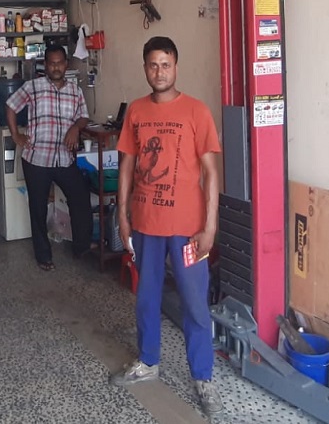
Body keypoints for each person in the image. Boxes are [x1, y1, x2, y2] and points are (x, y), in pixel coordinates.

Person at [109, 36, 224, 416]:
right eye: (153, 65)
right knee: (146, 297)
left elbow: (211, 172)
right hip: (146, 224)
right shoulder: (137, 111)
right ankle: (148, 361)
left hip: (188, 228)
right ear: (145, 68)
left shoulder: (196, 111)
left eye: (166, 64)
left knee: (194, 303)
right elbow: (126, 166)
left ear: (176, 67)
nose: (159, 72)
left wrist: (210, 226)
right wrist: (123, 215)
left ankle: (203, 377)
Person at [6, 45, 93, 271]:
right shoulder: (33, 87)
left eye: (60, 63)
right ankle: (43, 256)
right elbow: (11, 106)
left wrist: (76, 127)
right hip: (37, 158)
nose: (56, 67)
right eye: (52, 63)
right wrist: (16, 135)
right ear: (45, 65)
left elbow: (84, 116)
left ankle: (81, 248)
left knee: (80, 199)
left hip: (64, 159)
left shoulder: (75, 91)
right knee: (38, 209)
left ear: (66, 64)